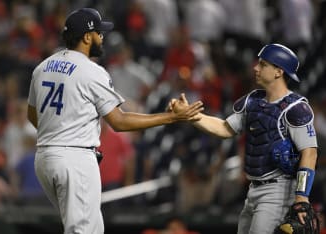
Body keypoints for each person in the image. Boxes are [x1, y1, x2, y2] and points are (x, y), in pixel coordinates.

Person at [26, 8, 203, 234]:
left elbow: (33, 115)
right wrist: (171, 117)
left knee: (84, 227)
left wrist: (57, 136)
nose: (102, 38)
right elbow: (119, 121)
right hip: (74, 159)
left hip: (44, 159)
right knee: (85, 231)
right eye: (99, 33)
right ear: (87, 37)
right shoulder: (91, 71)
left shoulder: (42, 67)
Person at [170, 43, 318, 234]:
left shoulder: (296, 108)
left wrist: (301, 197)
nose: (256, 68)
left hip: (279, 190)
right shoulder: (253, 101)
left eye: (263, 64)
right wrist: (190, 115)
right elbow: (224, 128)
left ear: (278, 71)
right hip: (253, 189)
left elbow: (310, 153)